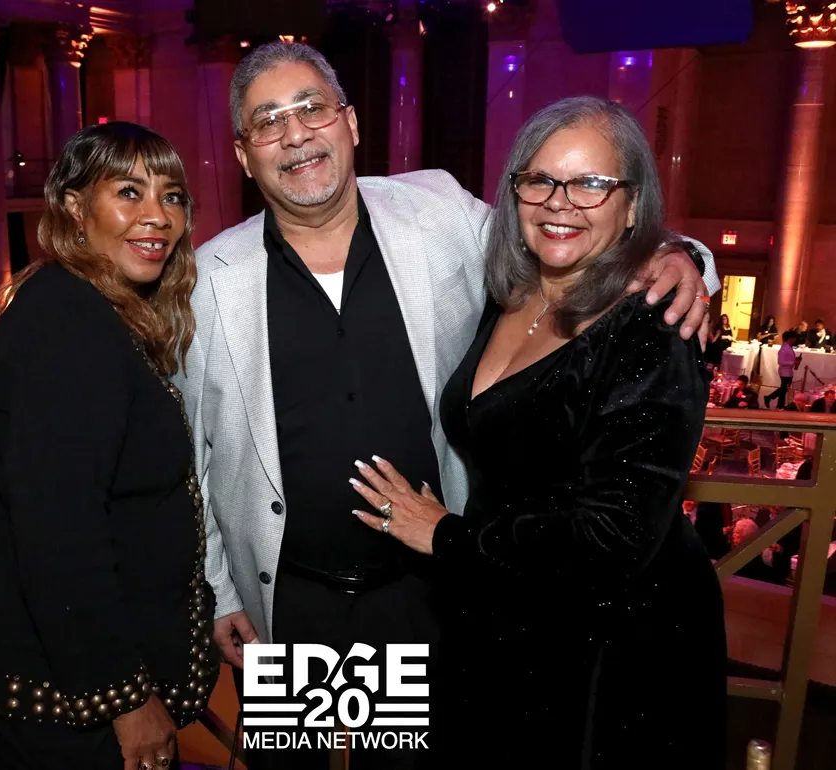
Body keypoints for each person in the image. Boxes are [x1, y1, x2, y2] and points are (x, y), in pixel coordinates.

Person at [176, 43, 719, 770]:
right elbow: (195, 458)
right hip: (295, 601)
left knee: (413, 765)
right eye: (268, 121)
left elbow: (564, 229)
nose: (296, 133)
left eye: (312, 108)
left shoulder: (436, 214)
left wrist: (681, 255)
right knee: (293, 764)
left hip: (427, 590)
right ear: (245, 155)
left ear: (351, 122)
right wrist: (217, 591)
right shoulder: (210, 279)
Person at [350, 96, 726, 768]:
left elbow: (617, 537)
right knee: (304, 737)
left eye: (591, 183)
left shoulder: (651, 326)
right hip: (476, 604)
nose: (560, 202)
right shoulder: (508, 291)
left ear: (632, 205)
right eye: (540, 179)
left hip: (598, 644)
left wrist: (444, 535)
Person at [0, 122, 218, 770]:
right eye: (129, 193)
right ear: (76, 208)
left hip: (27, 681)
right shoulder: (73, 328)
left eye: (171, 196)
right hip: (38, 699)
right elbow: (60, 535)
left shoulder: (75, 302)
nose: (158, 216)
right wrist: (125, 698)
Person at [764, 330, 799, 408]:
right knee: (784, 388)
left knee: (784, 388)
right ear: (790, 339)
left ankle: (780, 405)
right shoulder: (784, 348)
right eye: (794, 338)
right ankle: (769, 397)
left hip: (787, 371)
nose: (795, 340)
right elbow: (780, 362)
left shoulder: (787, 347)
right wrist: (793, 362)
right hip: (785, 371)